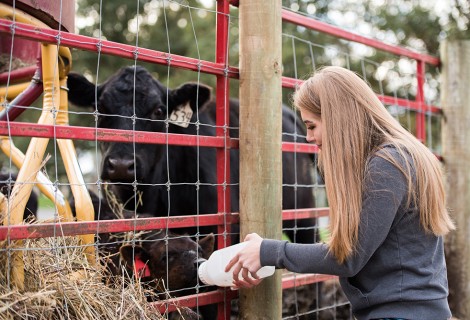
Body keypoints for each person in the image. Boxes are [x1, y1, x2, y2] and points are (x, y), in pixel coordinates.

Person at [226, 66, 455, 320]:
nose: (309, 137)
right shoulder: (401, 156)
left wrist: (266, 252)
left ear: (337, 119)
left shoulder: (387, 165)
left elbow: (348, 256)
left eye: (312, 126)